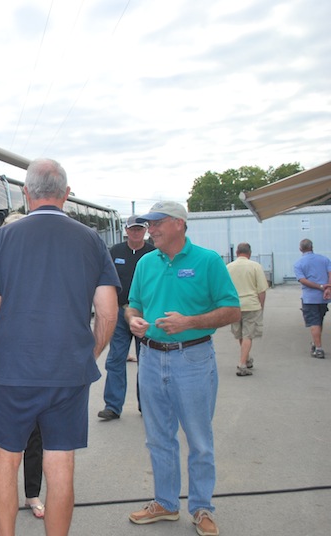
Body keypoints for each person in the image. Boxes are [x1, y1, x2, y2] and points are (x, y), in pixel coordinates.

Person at [0, 158, 120, 536]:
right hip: (68, 372)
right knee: (60, 464)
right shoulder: (91, 240)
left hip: (13, 372)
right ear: (66, 195)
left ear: (26, 193)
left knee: (6, 458)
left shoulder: (6, 237)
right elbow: (108, 312)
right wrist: (91, 353)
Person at [125, 201, 240, 536]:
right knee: (158, 437)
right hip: (149, 357)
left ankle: (202, 507)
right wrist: (134, 321)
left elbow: (232, 310)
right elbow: (132, 306)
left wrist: (190, 322)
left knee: (199, 439)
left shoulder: (208, 261)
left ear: (178, 223)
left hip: (192, 358)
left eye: (157, 224)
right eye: (148, 225)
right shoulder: (146, 262)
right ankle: (166, 503)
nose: (151, 231)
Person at [0, 213, 45, 521]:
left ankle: (32, 493)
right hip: (3, 361)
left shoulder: (41, 270)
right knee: (0, 434)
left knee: (35, 434)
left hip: (39, 362)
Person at [98, 215, 155, 420]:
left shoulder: (154, 254)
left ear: (145, 231)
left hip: (145, 314)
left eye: (140, 229)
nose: (136, 232)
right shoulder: (115, 252)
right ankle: (113, 406)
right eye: (133, 229)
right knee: (115, 359)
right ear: (126, 230)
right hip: (120, 312)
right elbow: (105, 279)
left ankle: (147, 405)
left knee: (146, 360)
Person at [226, 242, 268, 375]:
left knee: (240, 334)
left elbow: (224, 288)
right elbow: (261, 289)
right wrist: (261, 306)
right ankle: (242, 364)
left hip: (234, 306)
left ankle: (247, 358)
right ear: (249, 254)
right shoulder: (255, 266)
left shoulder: (228, 267)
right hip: (251, 304)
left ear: (237, 253)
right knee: (248, 335)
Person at [293, 238, 331, 359]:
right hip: (324, 297)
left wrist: (319, 287)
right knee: (319, 320)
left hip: (309, 298)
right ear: (312, 247)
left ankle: (318, 349)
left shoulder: (298, 263)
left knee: (314, 322)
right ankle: (315, 342)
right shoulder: (324, 259)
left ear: (300, 249)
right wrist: (327, 288)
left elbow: (303, 280)